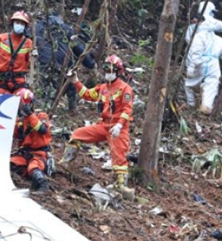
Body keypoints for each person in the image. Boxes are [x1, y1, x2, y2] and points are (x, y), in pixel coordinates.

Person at [61, 55, 134, 189]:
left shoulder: (125, 89)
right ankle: (65, 164)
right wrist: (75, 81)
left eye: (110, 69)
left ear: (118, 71)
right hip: (103, 125)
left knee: (119, 157)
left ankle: (121, 186)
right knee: (77, 134)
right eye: (105, 69)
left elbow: (127, 109)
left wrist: (119, 124)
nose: (107, 73)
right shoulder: (103, 88)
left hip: (119, 127)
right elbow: (87, 94)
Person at [10, 89, 52, 192]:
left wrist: (30, 115)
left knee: (33, 168)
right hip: (24, 154)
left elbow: (42, 130)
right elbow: (13, 134)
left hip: (39, 154)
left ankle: (43, 185)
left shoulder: (41, 116)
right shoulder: (19, 121)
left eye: (21, 105)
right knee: (11, 164)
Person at [0, 11, 34, 94]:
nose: (19, 25)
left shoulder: (28, 43)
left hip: (19, 83)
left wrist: (33, 56)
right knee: (2, 102)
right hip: (3, 82)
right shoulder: (1, 39)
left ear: (25, 27)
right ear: (12, 23)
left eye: (22, 24)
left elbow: (30, 64)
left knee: (25, 98)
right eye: (17, 22)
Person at [185, 33, 222, 114]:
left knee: (190, 84)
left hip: (199, 63)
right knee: (211, 86)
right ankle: (206, 105)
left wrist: (190, 66)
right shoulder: (219, 39)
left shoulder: (198, 36)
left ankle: (191, 104)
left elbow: (193, 52)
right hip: (213, 64)